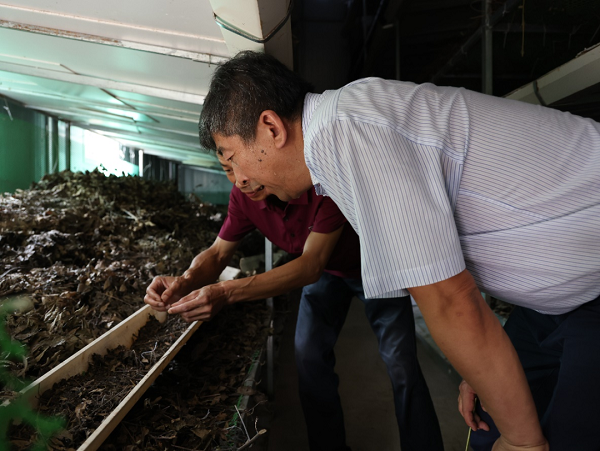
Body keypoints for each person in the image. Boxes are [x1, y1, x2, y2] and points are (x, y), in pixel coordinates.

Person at [197, 50, 600, 451]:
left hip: (591, 286)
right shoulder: (343, 129)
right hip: (554, 302)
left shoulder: (351, 133)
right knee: (489, 424)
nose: (239, 180)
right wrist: (480, 367)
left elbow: (448, 299)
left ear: (271, 127)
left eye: (233, 160)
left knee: (547, 437)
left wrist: (523, 442)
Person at [144, 155, 444, 451]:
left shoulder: (323, 183)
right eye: (228, 170)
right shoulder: (244, 195)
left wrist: (226, 292)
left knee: (401, 364)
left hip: (377, 267)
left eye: (245, 165)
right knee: (309, 356)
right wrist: (185, 281)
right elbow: (219, 252)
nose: (241, 180)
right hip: (330, 274)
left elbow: (311, 264)